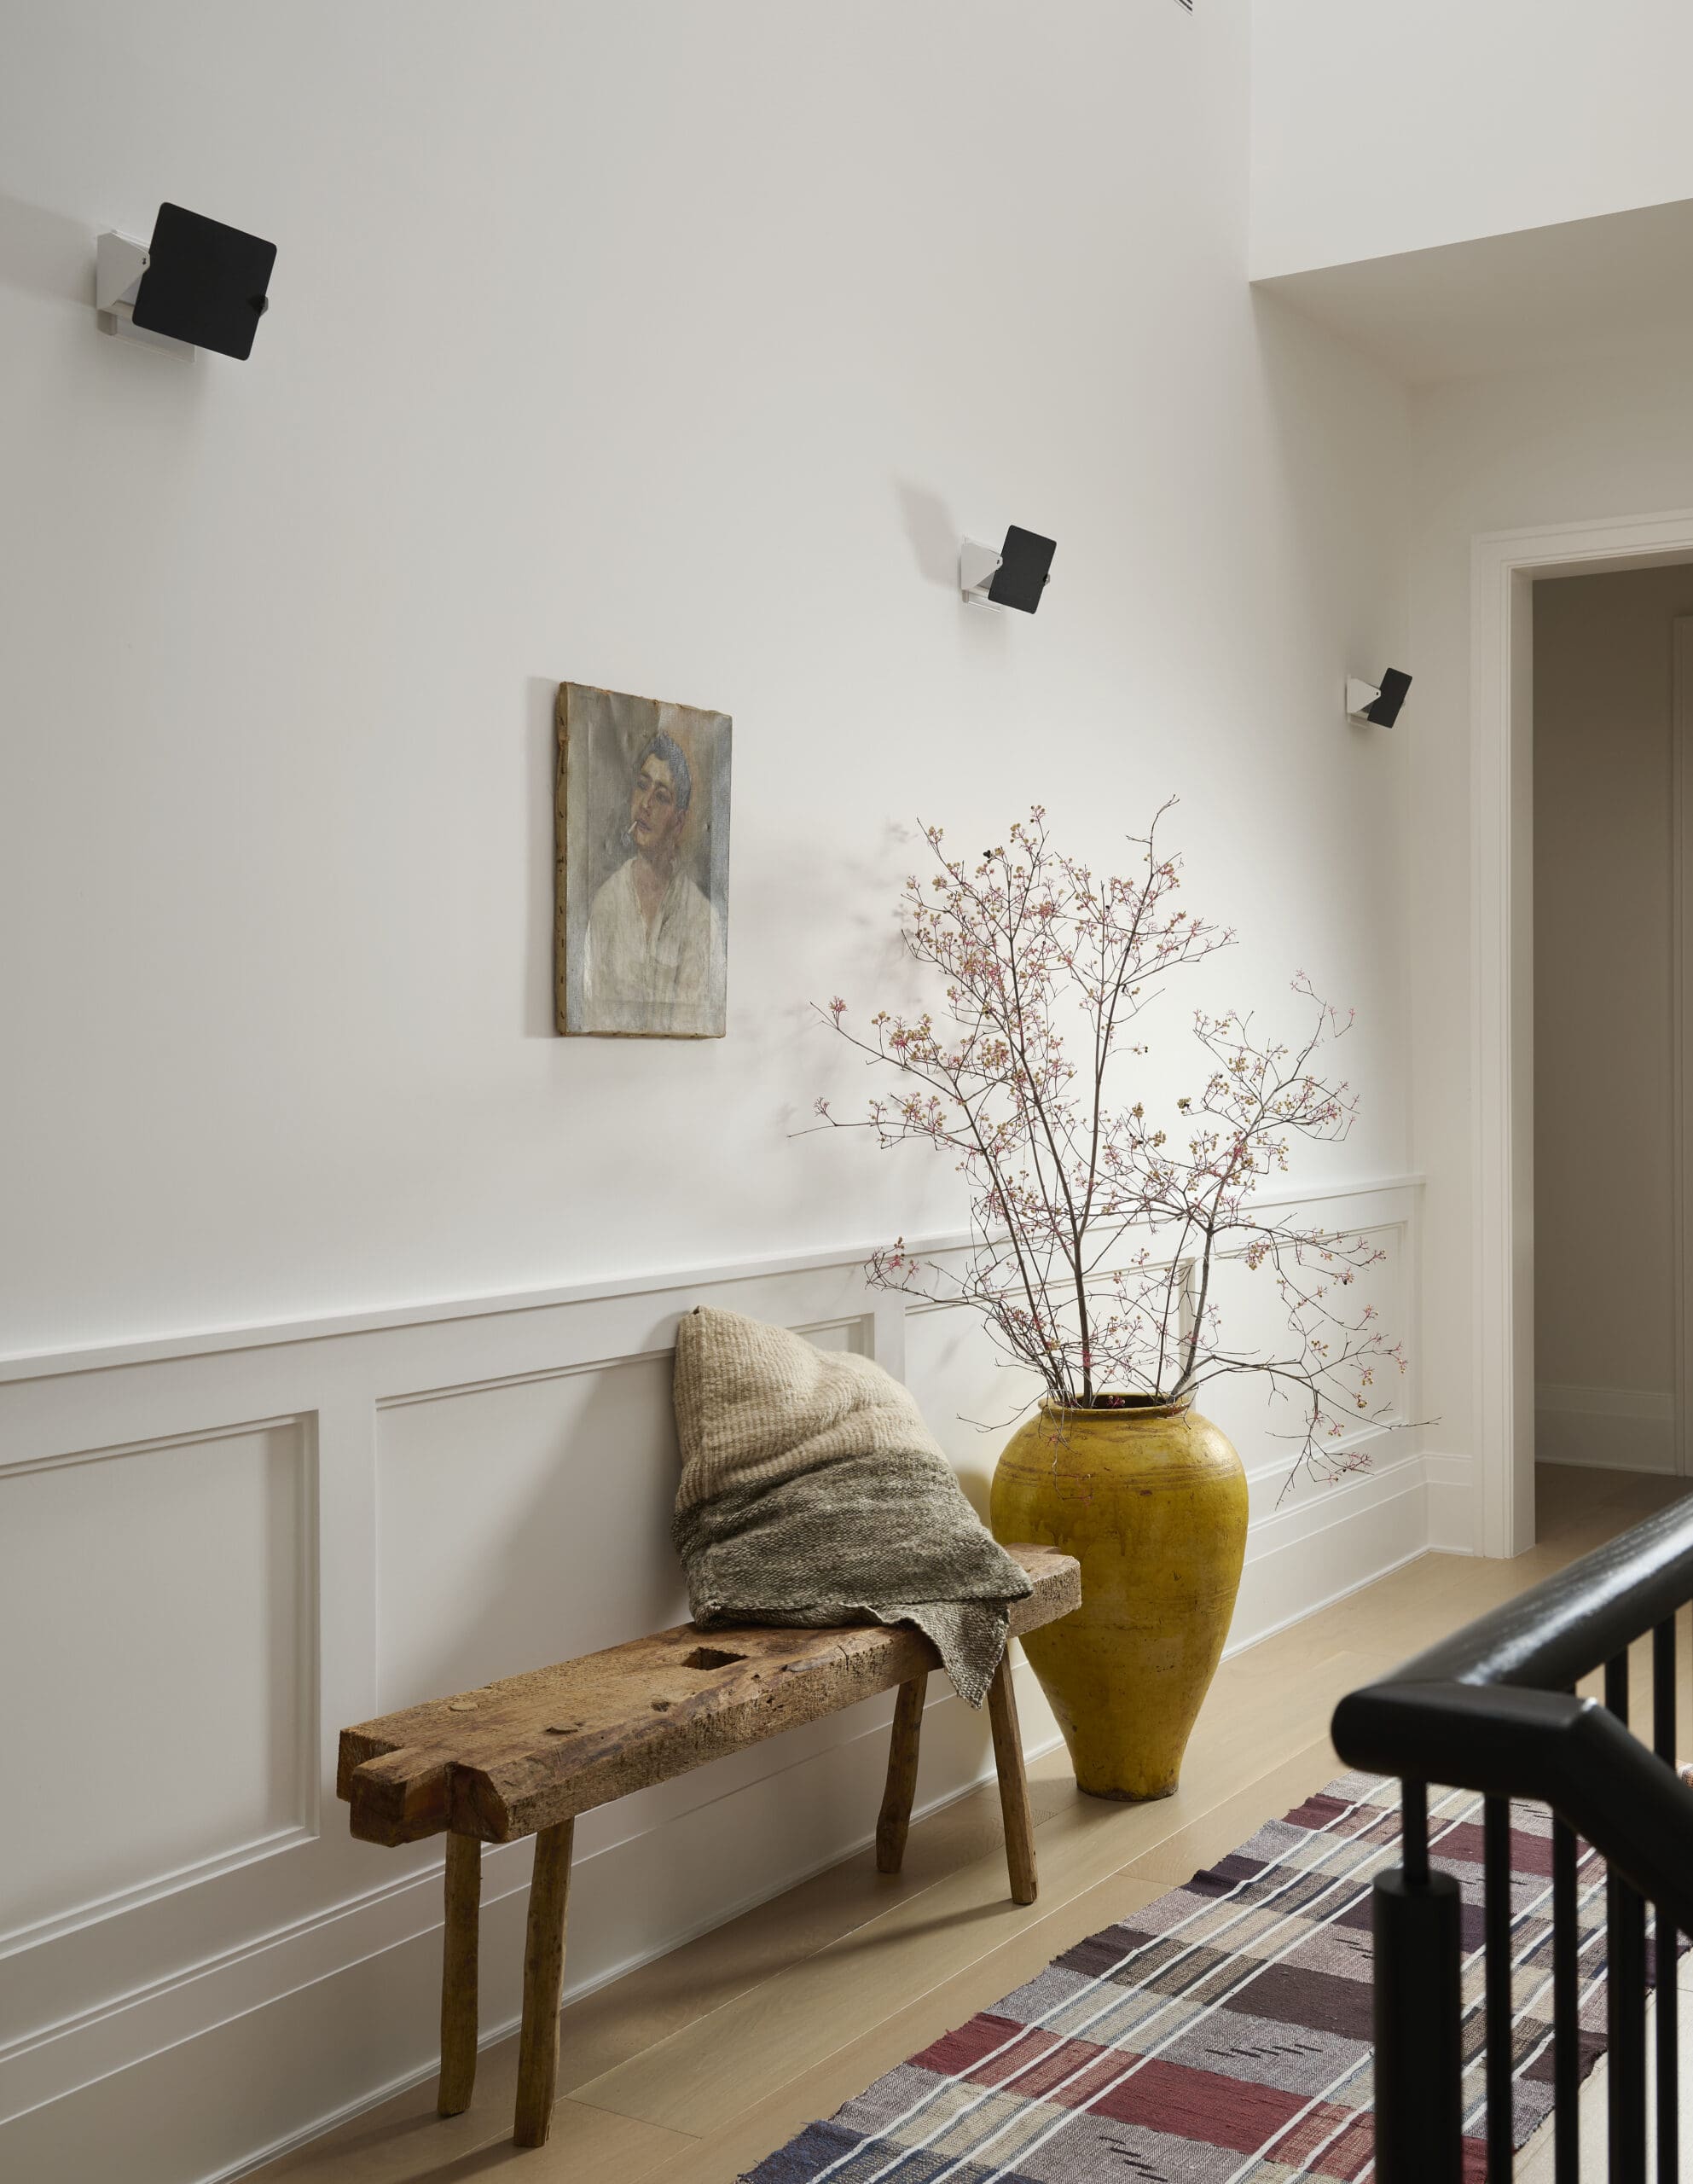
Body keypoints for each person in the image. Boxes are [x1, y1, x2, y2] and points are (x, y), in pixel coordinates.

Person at [583, 730, 722, 1032]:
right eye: (642, 786)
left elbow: (695, 1019)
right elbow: (593, 1010)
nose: (645, 804)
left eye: (661, 797)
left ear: (679, 822)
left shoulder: (700, 917)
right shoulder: (607, 903)